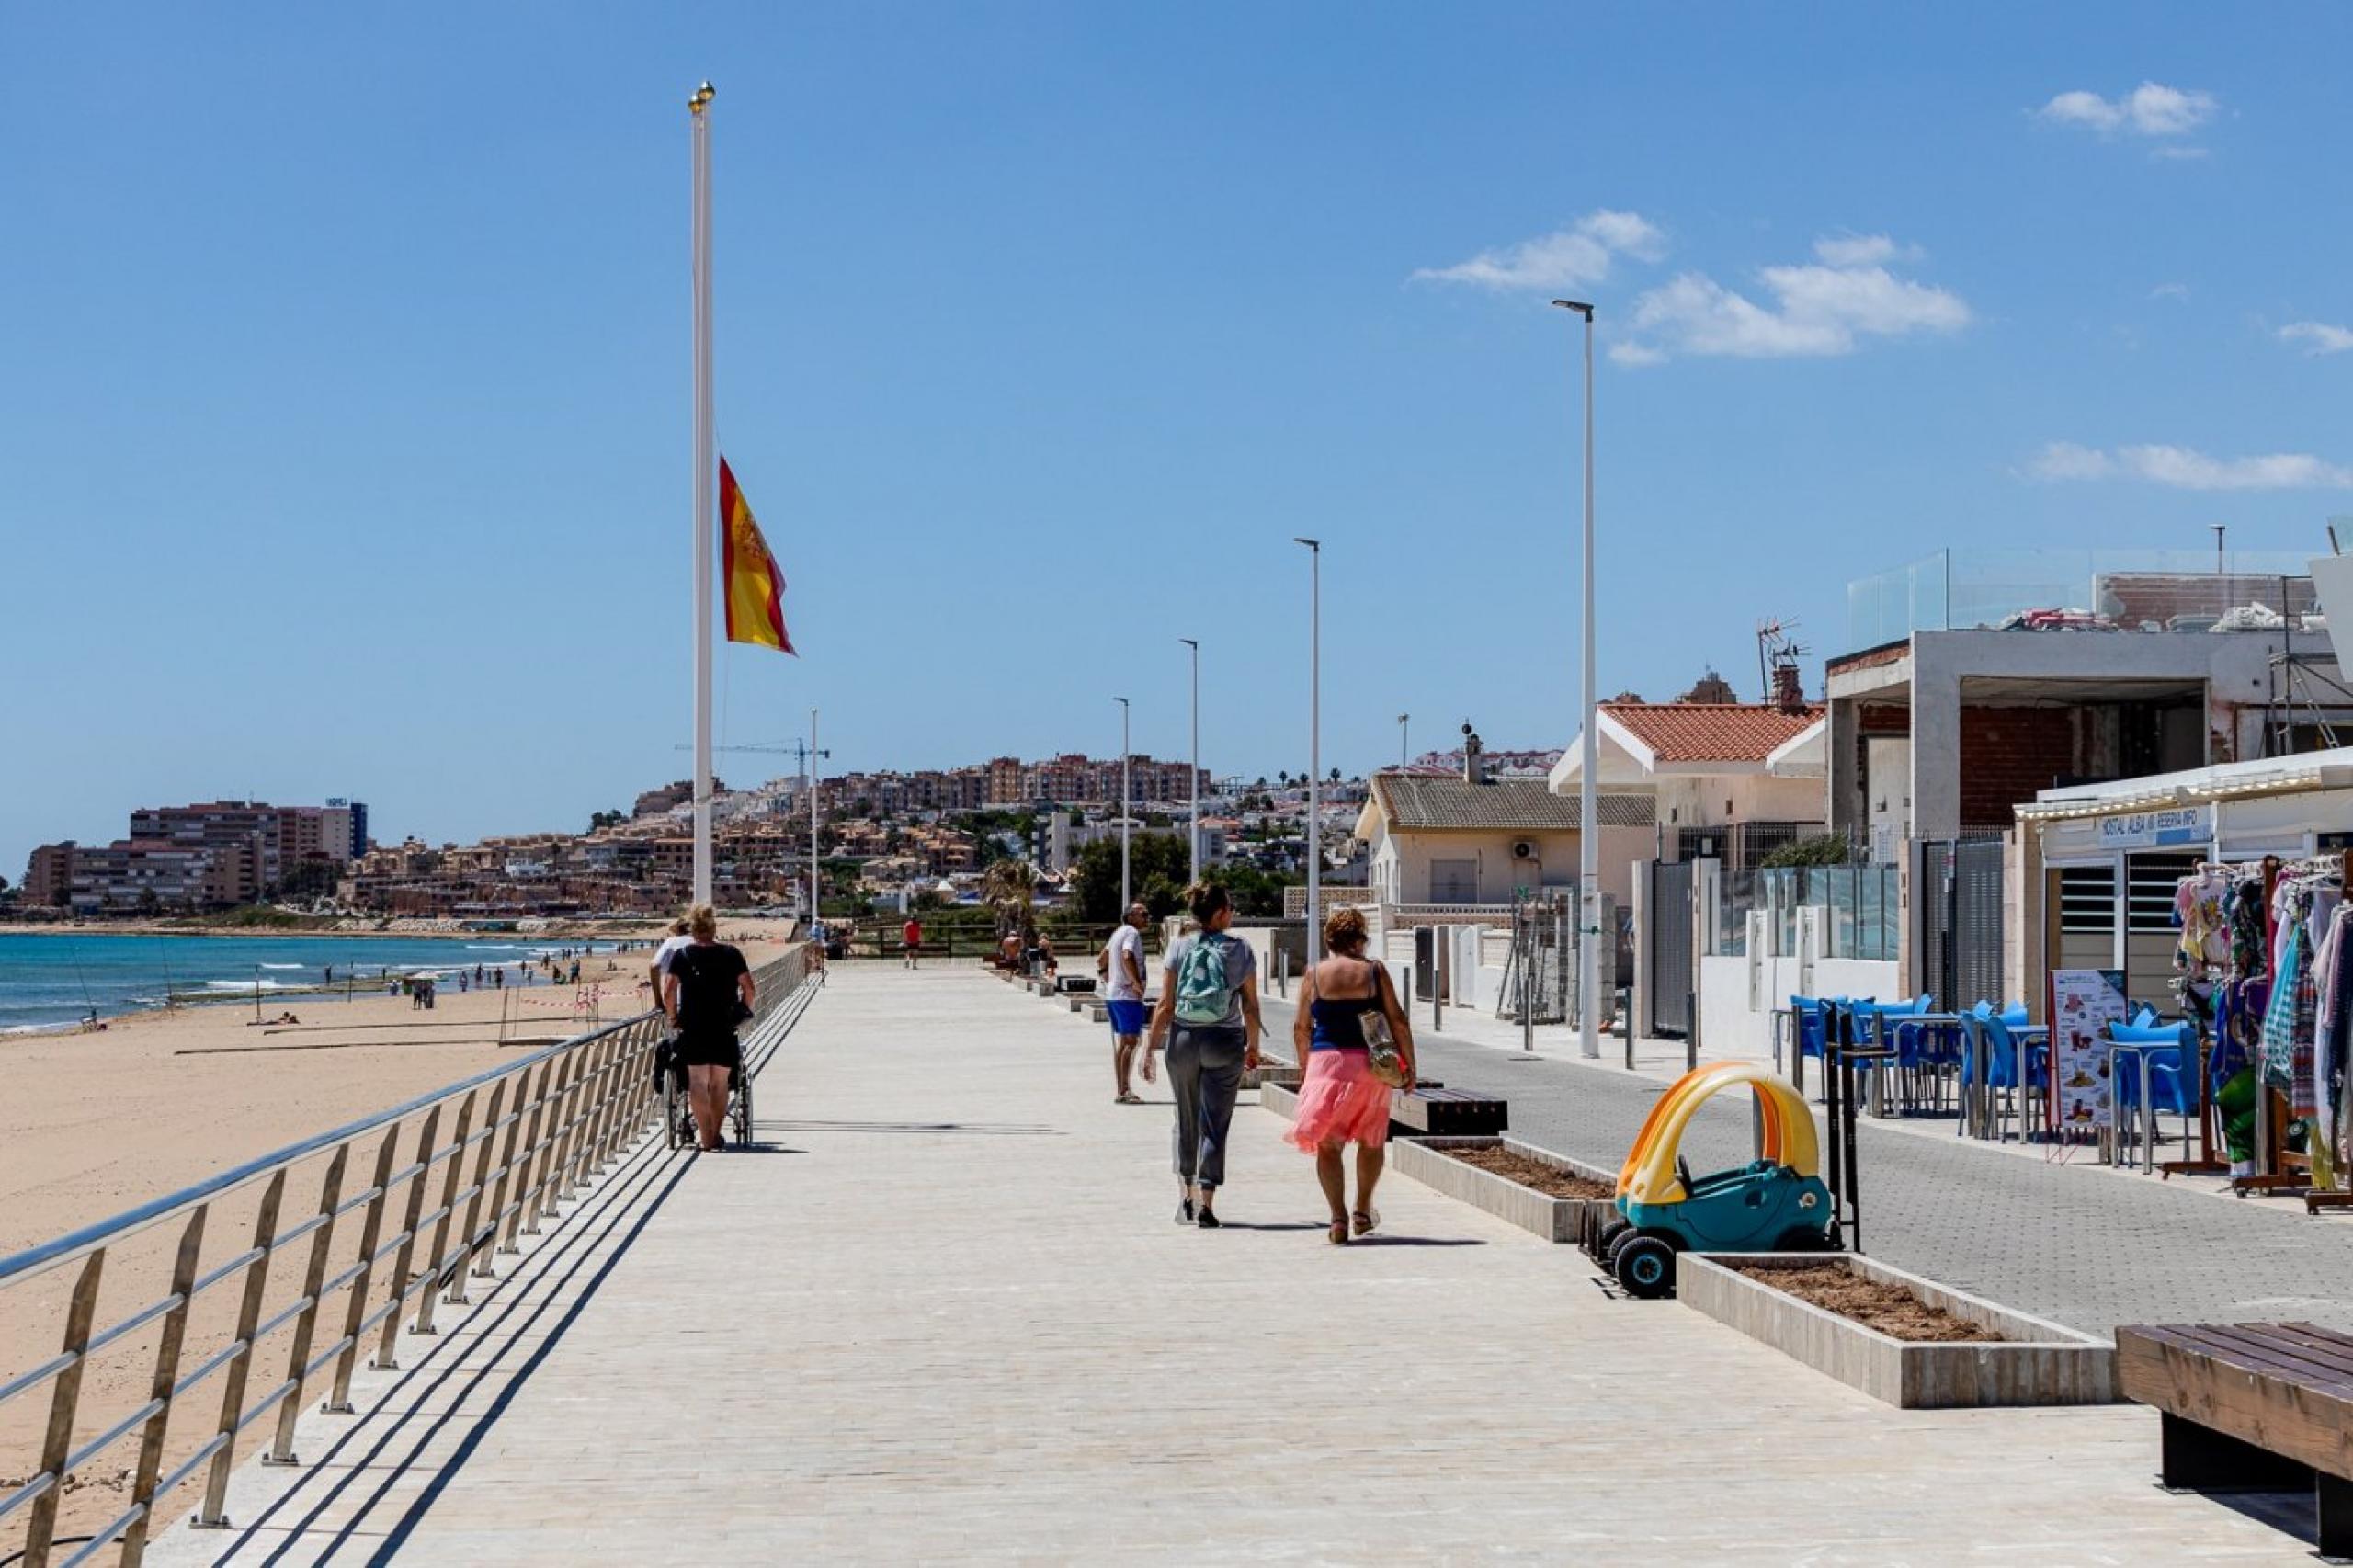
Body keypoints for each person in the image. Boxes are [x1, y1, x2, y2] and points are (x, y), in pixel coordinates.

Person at [1286, 906, 1415, 1244]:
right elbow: (1398, 1020)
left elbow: (1302, 1027)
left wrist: (1305, 1072)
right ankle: (1361, 1210)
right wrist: (1409, 1066)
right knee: (1371, 1140)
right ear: (1360, 940)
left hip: (1325, 1064)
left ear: (1329, 939)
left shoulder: (1314, 974)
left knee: (1329, 1145)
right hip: (1369, 1066)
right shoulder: (1374, 971)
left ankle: (1337, 1219)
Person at [1145, 882, 1261, 1228]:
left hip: (1183, 1038)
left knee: (1186, 1117)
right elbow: (1251, 1006)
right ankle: (1208, 1204)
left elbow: (1165, 1004)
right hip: (1225, 1041)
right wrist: (1253, 1046)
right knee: (1215, 1124)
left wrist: (1149, 1048)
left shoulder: (1180, 947)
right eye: (1231, 909)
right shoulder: (1240, 949)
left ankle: (1186, 1195)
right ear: (1222, 913)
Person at [662, 903, 756, 1152]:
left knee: (697, 1082)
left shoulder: (683, 956)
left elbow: (668, 991)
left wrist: (673, 1017)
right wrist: (742, 1011)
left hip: (693, 1026)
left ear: (693, 931)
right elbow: (749, 988)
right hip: (724, 1025)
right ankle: (716, 1132)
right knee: (720, 1083)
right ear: (714, 929)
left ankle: (706, 1138)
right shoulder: (731, 953)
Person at [1098, 903, 1152, 1104]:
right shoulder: (1131, 933)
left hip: (1114, 994)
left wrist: (1106, 977)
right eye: (1143, 915)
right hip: (1127, 996)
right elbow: (1127, 955)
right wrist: (1136, 983)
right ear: (1131, 917)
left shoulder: (1118, 932)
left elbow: (1102, 959)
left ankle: (1121, 1088)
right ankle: (1124, 1090)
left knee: (1123, 1043)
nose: (1147, 918)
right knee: (1130, 1041)